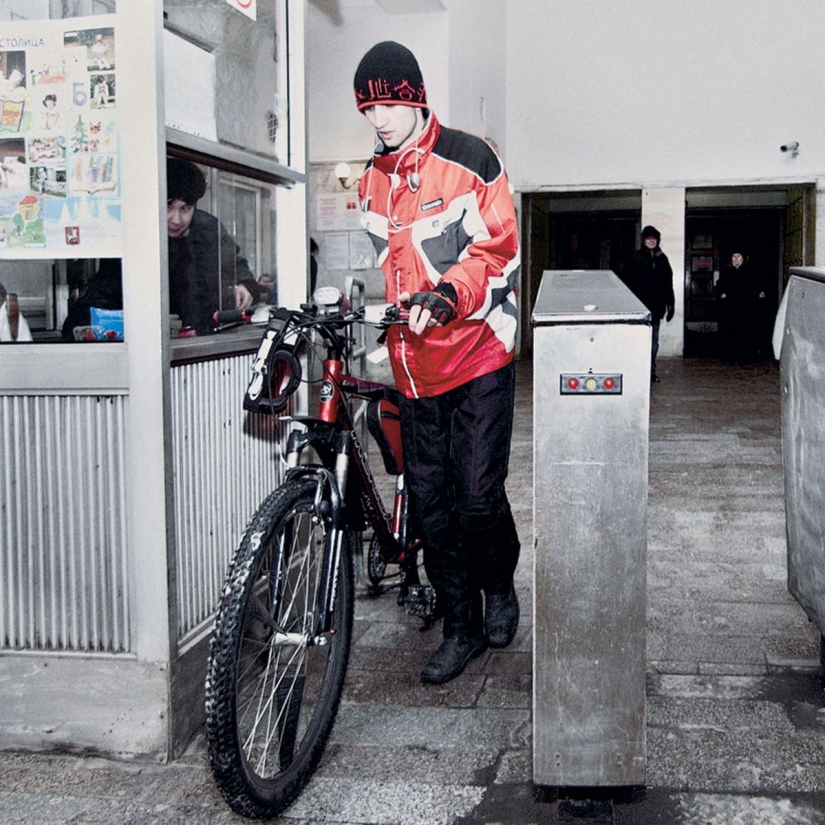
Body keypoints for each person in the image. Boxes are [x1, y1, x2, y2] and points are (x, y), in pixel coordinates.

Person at [353, 41, 521, 685]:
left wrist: (448, 294)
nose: (381, 117)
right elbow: (388, 272)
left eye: (391, 102)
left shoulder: (471, 159)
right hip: (415, 367)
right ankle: (461, 626)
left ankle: (498, 584)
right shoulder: (371, 181)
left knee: (478, 497)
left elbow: (498, 251)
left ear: (417, 96)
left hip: (478, 352)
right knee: (431, 504)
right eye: (370, 106)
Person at [166, 158, 256, 334]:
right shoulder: (140, 238)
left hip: (207, 336)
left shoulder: (209, 229)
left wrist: (244, 284)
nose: (177, 220)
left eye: (185, 209)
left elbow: (234, 266)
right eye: (168, 207)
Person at [620, 225, 675, 382]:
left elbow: (667, 284)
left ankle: (650, 372)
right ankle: (637, 371)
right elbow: (625, 282)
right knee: (638, 342)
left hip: (656, 308)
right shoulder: (634, 258)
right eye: (648, 238)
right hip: (638, 308)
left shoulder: (662, 259)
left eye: (654, 238)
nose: (651, 241)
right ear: (643, 240)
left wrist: (670, 305)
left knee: (653, 343)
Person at [716, 250, 768, 363]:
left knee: (746, 331)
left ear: (743, 258)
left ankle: (746, 356)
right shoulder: (727, 272)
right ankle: (730, 355)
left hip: (746, 307)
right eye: (734, 256)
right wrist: (722, 294)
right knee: (731, 331)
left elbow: (756, 285)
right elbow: (720, 286)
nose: (736, 259)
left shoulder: (750, 271)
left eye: (738, 256)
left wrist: (759, 293)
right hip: (730, 307)